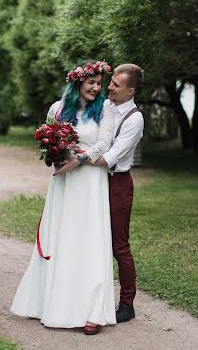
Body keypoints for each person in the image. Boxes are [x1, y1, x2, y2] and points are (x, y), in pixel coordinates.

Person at [10, 60, 116, 335]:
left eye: (99, 83)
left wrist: (80, 159)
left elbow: (105, 143)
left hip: (90, 181)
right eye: (91, 82)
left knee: (88, 238)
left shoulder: (104, 108)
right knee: (61, 235)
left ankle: (91, 310)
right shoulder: (57, 109)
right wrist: (59, 155)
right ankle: (51, 303)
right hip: (64, 182)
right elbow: (48, 142)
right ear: (77, 81)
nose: (96, 87)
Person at [56, 63, 144, 324]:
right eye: (111, 82)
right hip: (94, 184)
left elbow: (110, 156)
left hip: (117, 183)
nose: (109, 87)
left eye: (116, 85)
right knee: (91, 240)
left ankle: (127, 303)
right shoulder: (104, 107)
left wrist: (76, 161)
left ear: (130, 91)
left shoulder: (134, 119)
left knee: (119, 245)